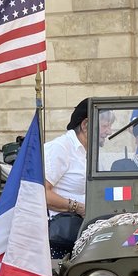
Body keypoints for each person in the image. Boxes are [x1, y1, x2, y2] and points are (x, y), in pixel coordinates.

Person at [44, 98, 92, 258]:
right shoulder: (60, 148)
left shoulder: (88, 152)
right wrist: (78, 207)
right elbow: (42, 193)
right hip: (63, 234)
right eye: (105, 125)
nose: (109, 131)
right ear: (85, 125)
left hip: (85, 227)